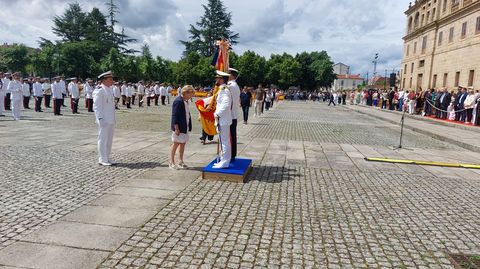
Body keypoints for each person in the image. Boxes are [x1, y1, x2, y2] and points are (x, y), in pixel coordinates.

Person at [93, 71, 116, 166]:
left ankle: (107, 157)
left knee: (109, 139)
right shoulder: (99, 90)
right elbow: (96, 106)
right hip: (104, 119)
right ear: (104, 80)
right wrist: (100, 118)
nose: (112, 81)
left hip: (110, 119)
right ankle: (102, 159)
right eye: (110, 79)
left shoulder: (110, 89)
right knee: (102, 139)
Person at [170, 85, 195, 169]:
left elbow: (187, 114)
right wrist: (176, 128)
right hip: (179, 127)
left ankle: (180, 161)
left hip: (185, 126)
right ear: (186, 93)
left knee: (182, 144)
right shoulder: (178, 101)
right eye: (191, 94)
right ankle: (171, 162)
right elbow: (175, 115)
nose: (192, 96)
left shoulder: (185, 101)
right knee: (175, 144)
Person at [213, 70, 233, 169]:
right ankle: (223, 160)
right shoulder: (222, 89)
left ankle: (225, 162)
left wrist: (217, 114)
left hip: (223, 119)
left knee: (224, 141)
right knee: (223, 141)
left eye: (217, 78)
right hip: (223, 119)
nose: (216, 80)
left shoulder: (224, 89)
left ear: (221, 79)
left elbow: (225, 104)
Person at [228, 68, 240, 162]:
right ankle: (232, 154)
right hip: (233, 115)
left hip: (229, 115)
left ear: (231, 75)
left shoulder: (230, 86)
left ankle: (230, 155)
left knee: (230, 137)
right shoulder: (235, 85)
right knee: (232, 135)